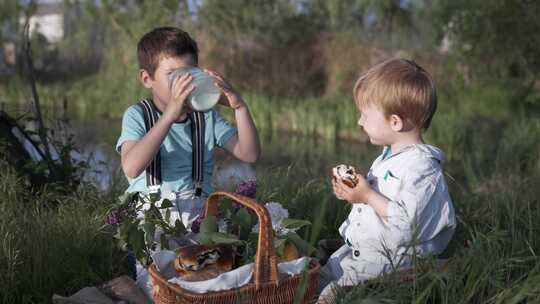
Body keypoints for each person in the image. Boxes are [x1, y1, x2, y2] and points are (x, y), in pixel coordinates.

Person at [318, 58, 456, 303]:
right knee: (312, 279)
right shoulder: (388, 157)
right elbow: (378, 206)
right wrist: (354, 195)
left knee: (330, 297)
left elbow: (407, 227)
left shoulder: (422, 169)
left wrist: (368, 195)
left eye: (365, 115)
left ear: (395, 122)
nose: (359, 122)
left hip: (391, 263)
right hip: (363, 252)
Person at [116, 26, 260, 231]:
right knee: (160, 260)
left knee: (219, 255)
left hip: (199, 215)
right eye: (172, 74)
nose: (183, 82)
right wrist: (169, 116)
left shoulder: (205, 117)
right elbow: (131, 167)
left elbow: (250, 153)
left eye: (189, 73)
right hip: (150, 218)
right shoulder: (138, 115)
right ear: (147, 79)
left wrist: (240, 107)